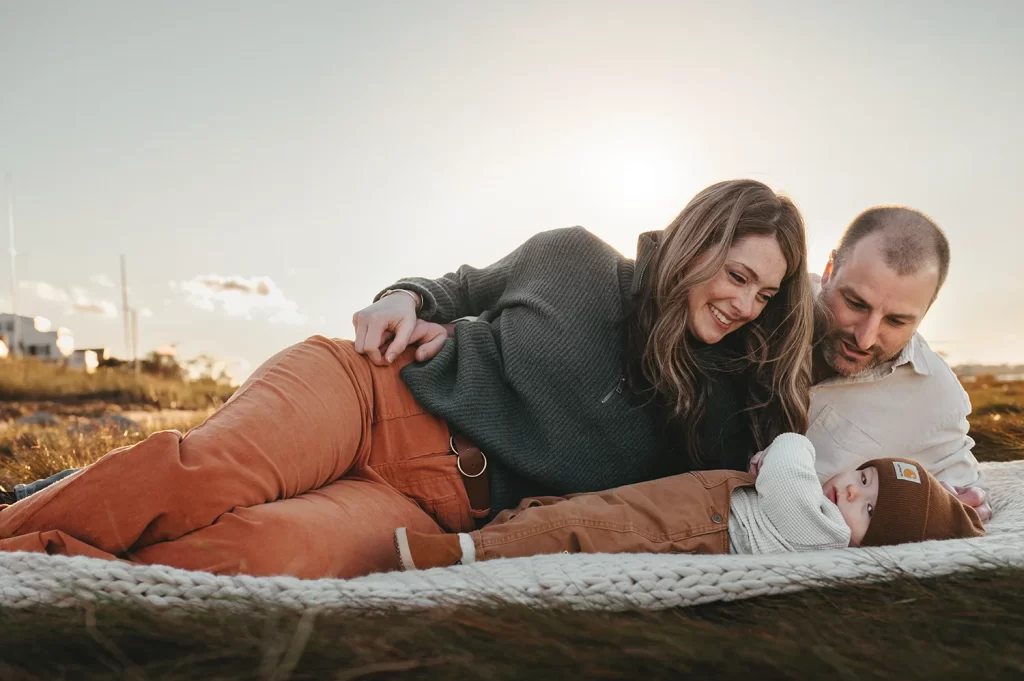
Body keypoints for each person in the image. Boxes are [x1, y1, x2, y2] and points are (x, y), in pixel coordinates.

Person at [0, 179, 813, 579]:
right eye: (736, 275)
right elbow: (458, 285)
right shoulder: (573, 257)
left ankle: (39, 570)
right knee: (201, 472)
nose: (745, 304)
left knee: (260, 550)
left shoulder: (713, 406)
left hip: (430, 502)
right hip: (375, 393)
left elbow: (774, 474)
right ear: (693, 243)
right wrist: (405, 296)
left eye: (767, 294)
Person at [393, 433, 986, 570]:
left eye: (870, 509)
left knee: (584, 526)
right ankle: (499, 530)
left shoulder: (826, 534)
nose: (852, 490)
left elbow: (784, 467)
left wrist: (791, 443)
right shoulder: (827, 512)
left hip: (698, 525)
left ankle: (451, 554)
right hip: (697, 504)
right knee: (577, 506)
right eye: (864, 476)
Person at [806, 207, 992, 521]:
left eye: (896, 321)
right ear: (828, 270)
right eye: (855, 303)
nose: (865, 338)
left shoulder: (935, 399)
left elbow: (964, 497)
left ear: (925, 313)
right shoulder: (768, 300)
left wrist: (944, 506)